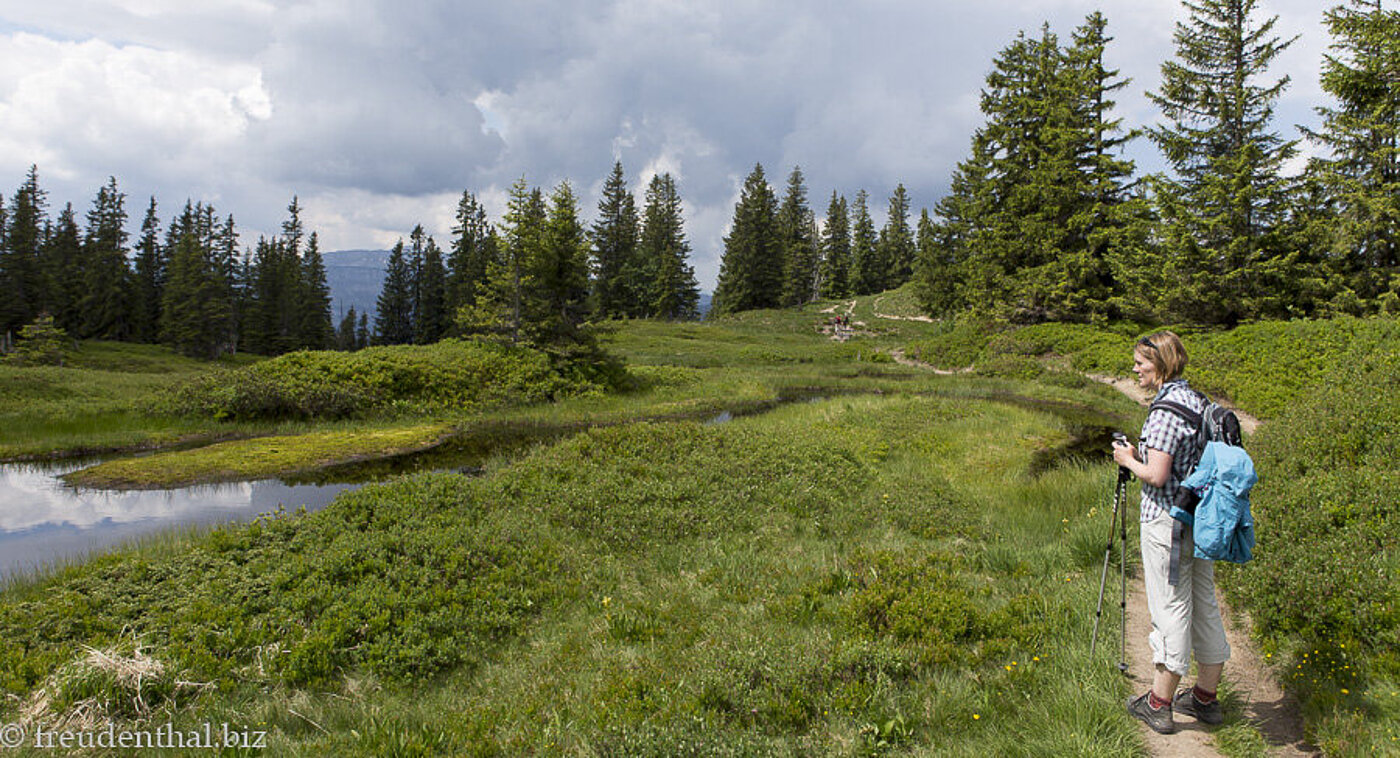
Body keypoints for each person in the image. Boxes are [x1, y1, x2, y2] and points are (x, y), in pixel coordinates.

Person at [1111, 331, 1230, 735]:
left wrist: (1129, 460)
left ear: (1160, 365)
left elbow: (1158, 475)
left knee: (1171, 608)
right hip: (1200, 520)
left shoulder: (1163, 412)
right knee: (1204, 605)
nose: (1135, 369)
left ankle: (1159, 704)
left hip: (1168, 522)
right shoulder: (1197, 400)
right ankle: (1204, 699)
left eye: (1141, 364)